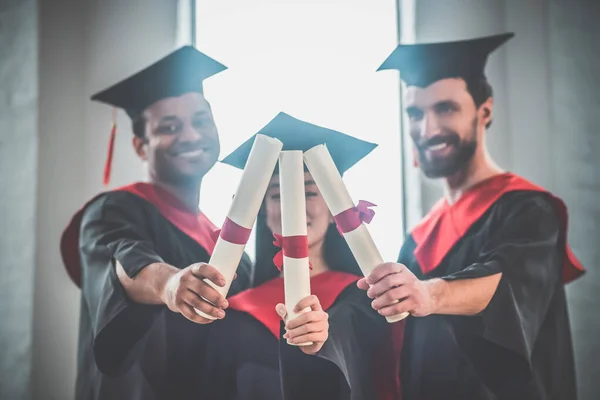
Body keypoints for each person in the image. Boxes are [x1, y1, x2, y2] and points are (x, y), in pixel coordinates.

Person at [360, 32, 586, 399]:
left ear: (485, 110)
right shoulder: (418, 237)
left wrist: (429, 295)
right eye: (415, 113)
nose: (427, 129)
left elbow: (507, 284)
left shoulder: (529, 210)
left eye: (445, 108)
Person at [60, 46, 254, 400]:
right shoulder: (114, 211)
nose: (192, 135)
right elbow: (125, 261)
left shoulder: (225, 242)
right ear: (140, 145)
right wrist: (170, 284)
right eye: (169, 127)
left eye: (201, 120)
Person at [195, 112, 392, 399]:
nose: (294, 208)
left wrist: (322, 338)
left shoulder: (363, 298)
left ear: (333, 206)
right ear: (262, 209)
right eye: (277, 195)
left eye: (310, 193)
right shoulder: (232, 309)